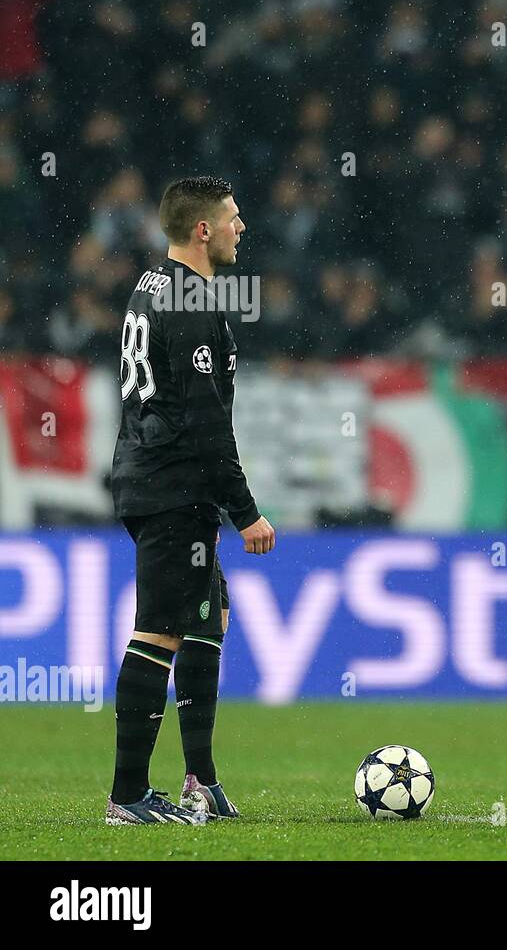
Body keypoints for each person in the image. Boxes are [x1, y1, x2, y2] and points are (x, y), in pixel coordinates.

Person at [107, 176, 275, 825]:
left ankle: (200, 778)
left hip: (152, 475)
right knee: (161, 628)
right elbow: (208, 426)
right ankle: (127, 795)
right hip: (173, 484)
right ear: (202, 229)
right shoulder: (192, 305)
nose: (241, 227)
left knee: (210, 616)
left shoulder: (153, 285)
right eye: (233, 218)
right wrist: (246, 511)